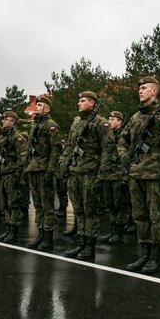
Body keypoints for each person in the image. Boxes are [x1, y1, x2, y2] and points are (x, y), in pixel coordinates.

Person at [118, 76, 160, 273]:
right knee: (139, 216)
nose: (140, 91)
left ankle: (155, 256)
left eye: (144, 88)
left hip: (156, 174)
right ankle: (144, 253)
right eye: (139, 88)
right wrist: (123, 156)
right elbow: (123, 140)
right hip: (136, 173)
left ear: (154, 91)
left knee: (156, 216)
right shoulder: (135, 118)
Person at [57, 91, 113, 260]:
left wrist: (101, 175)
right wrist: (62, 162)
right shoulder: (76, 122)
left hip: (90, 173)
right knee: (79, 211)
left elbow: (108, 150)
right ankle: (81, 243)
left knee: (90, 212)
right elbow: (69, 145)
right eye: (79, 100)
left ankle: (89, 247)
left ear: (92, 103)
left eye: (82, 101)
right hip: (75, 172)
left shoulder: (101, 123)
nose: (79, 103)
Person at [25, 95, 62, 251]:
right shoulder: (36, 125)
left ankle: (48, 238)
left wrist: (51, 170)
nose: (36, 107)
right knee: (38, 204)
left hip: (45, 167)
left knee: (47, 205)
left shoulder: (51, 125)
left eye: (39, 105)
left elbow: (55, 150)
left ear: (47, 108)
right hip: (34, 168)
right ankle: (40, 234)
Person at [0, 111, 28, 243]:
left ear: (13, 121)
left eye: (6, 119)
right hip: (3, 174)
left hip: (12, 174)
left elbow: (22, 158)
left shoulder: (17, 138)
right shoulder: (3, 138)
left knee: (13, 204)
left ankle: (13, 232)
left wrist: (17, 177)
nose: (3, 121)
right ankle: (8, 229)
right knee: (5, 204)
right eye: (3, 119)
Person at [98, 111, 131, 245]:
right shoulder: (108, 135)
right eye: (109, 119)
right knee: (110, 205)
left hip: (119, 175)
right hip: (108, 175)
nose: (110, 121)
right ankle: (113, 230)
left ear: (120, 122)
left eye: (113, 119)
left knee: (120, 205)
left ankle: (119, 233)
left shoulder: (124, 137)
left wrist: (126, 176)